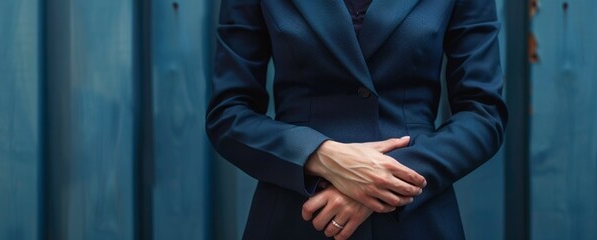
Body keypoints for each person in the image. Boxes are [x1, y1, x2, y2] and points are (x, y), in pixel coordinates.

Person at [206, 0, 507, 239]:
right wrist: (319, 156)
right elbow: (228, 113)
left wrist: (386, 180)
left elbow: (483, 113)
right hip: (299, 215)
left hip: (414, 219)